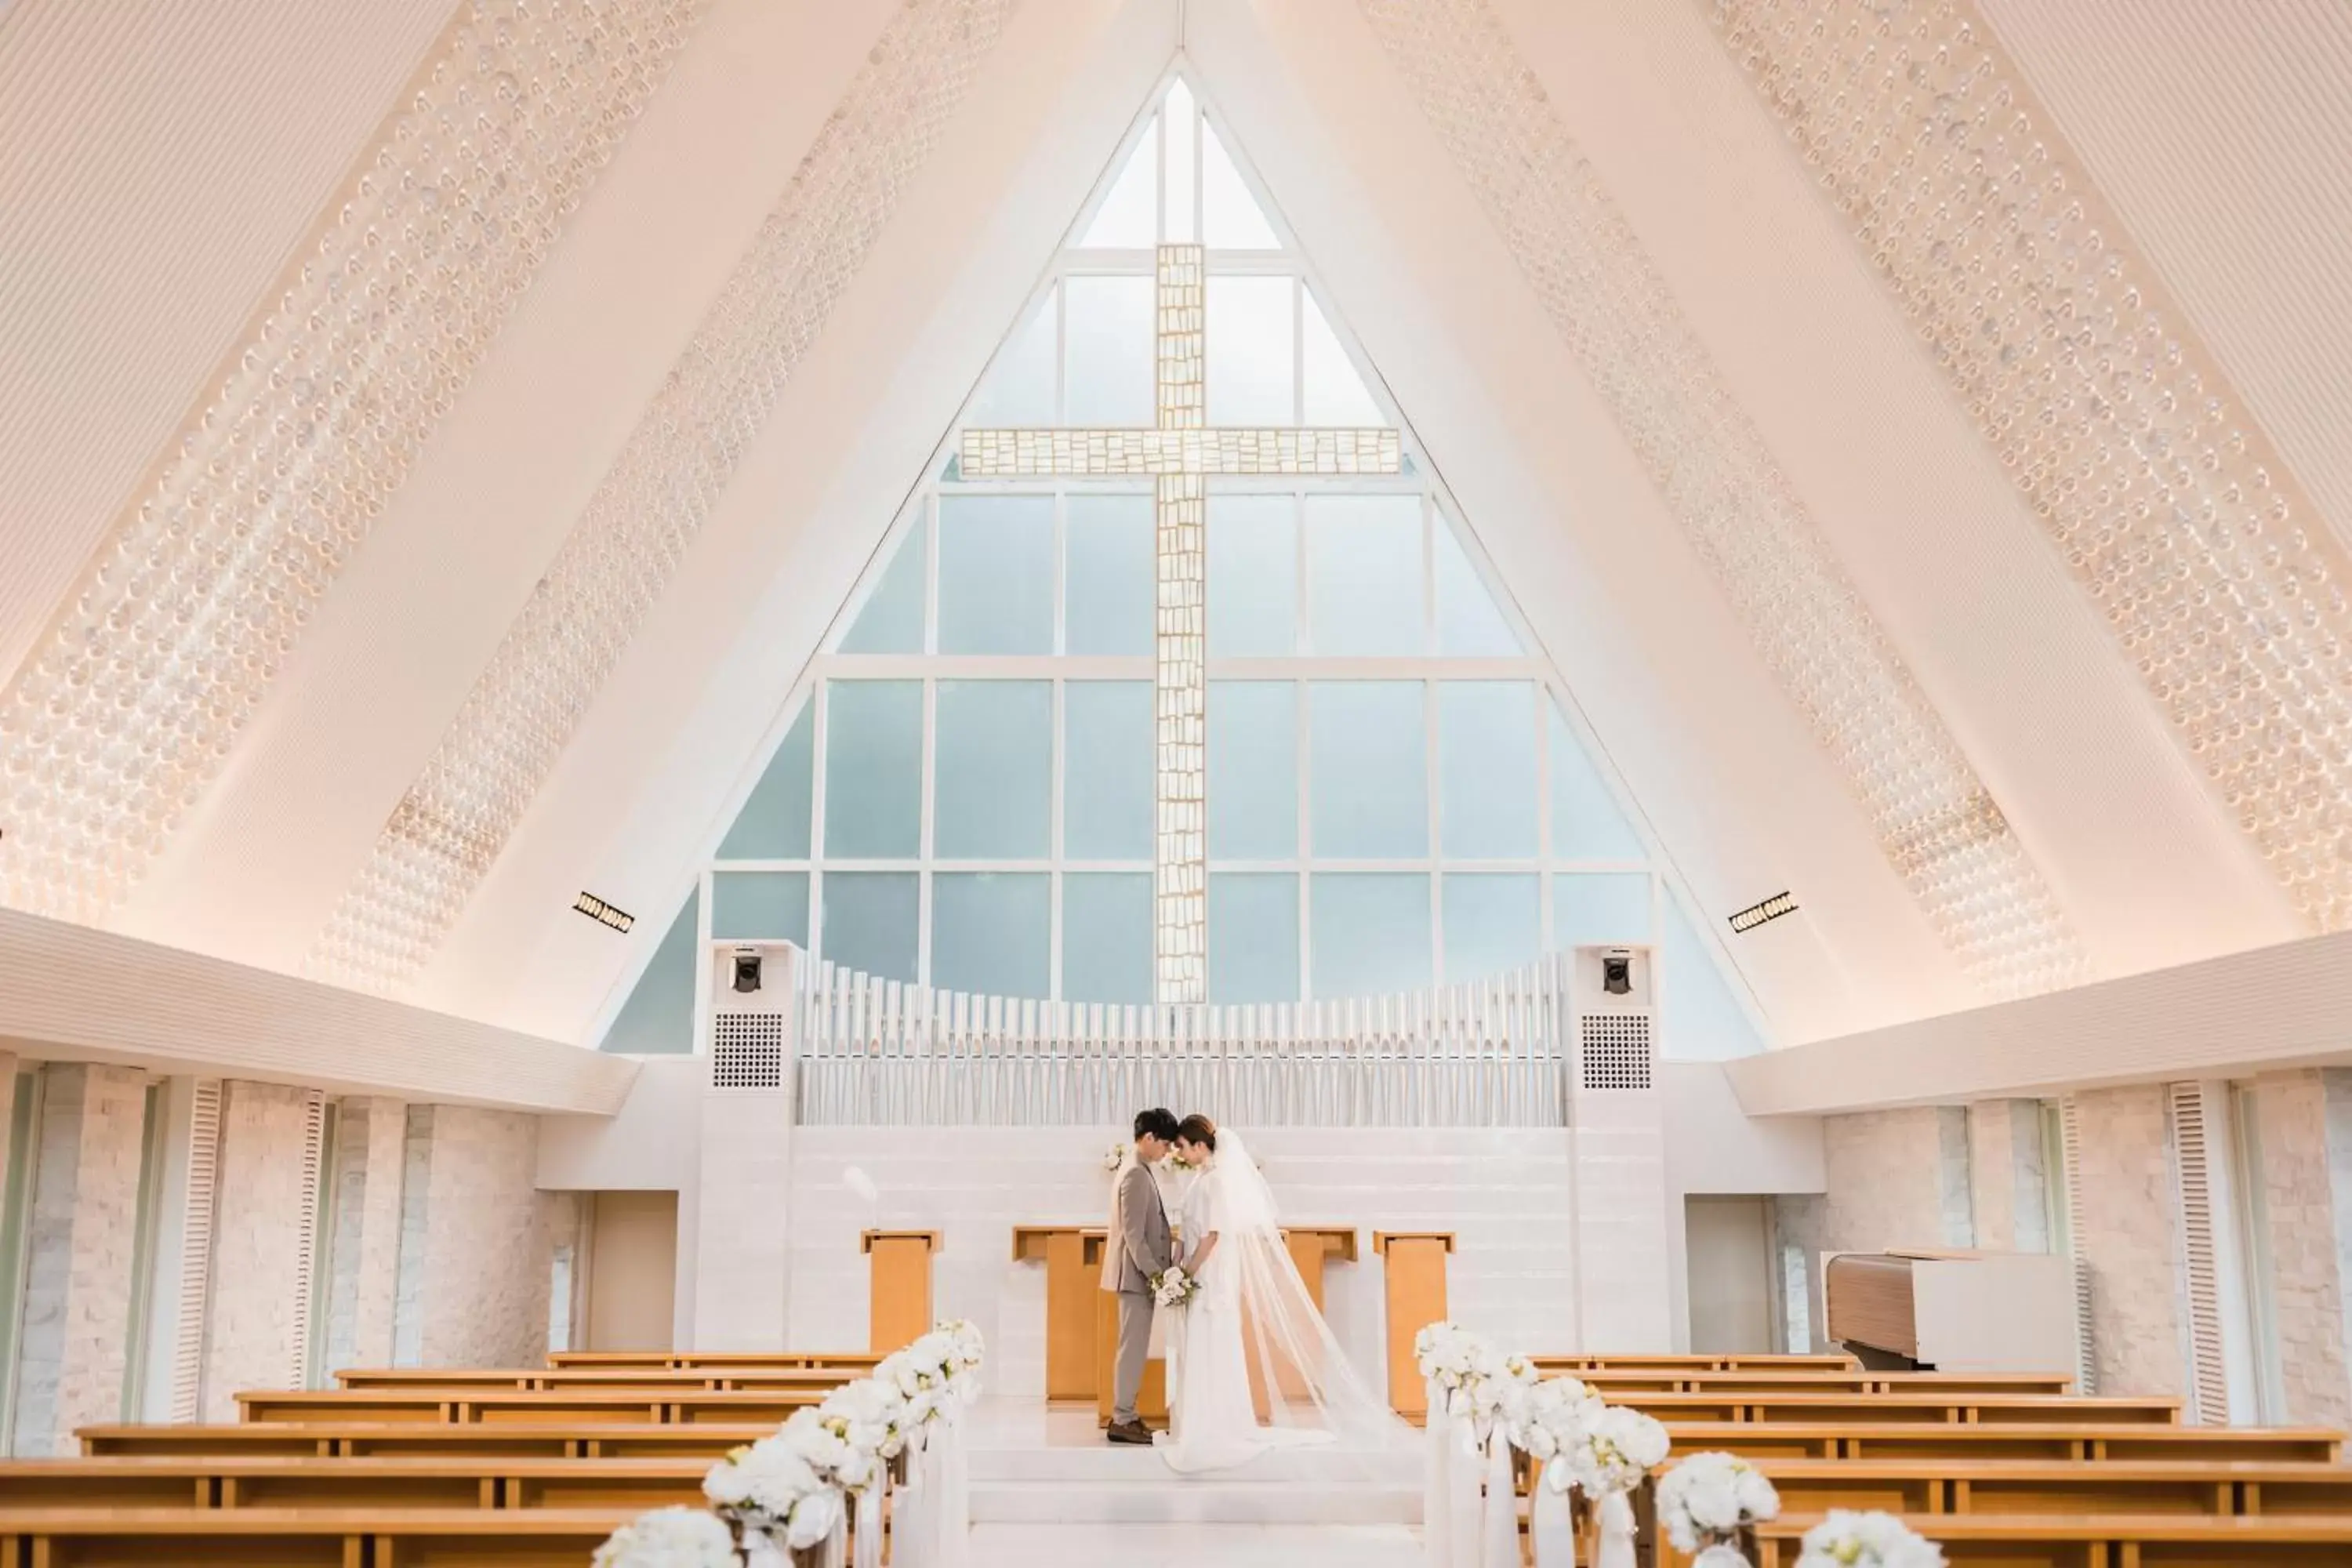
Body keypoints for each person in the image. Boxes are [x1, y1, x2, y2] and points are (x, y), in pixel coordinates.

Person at [1155, 1114, 1407, 1474]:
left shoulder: (1215, 1184)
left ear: (1199, 1145)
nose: (1179, 1152)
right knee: (1200, 1345)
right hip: (1197, 1274)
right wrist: (1177, 1267)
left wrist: (1187, 1274)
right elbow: (1191, 1231)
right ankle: (1200, 1420)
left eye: (1181, 1145)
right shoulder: (1200, 1179)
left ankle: (1215, 1424)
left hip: (1209, 1277)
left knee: (1211, 1341)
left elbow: (1213, 1236)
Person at [1102, 1107, 1178, 1445]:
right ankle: (1123, 1418)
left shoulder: (1138, 1168)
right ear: (1149, 1138)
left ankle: (1127, 1415)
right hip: (1134, 1278)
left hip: (1137, 1277)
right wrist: (1157, 1276)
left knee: (1133, 1347)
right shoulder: (1134, 1173)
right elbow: (1134, 1236)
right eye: (1164, 1145)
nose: (1167, 1153)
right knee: (1132, 1349)